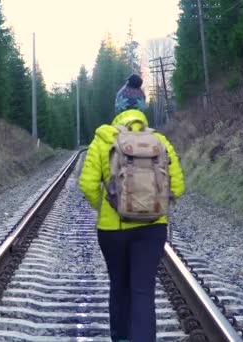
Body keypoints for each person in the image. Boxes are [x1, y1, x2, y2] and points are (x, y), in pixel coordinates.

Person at [78, 74, 185, 342]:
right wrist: (154, 204)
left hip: (113, 231)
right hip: (152, 230)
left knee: (120, 286)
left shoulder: (103, 139)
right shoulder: (160, 141)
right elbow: (178, 186)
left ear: (118, 108)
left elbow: (88, 184)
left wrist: (107, 206)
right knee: (143, 291)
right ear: (142, 109)